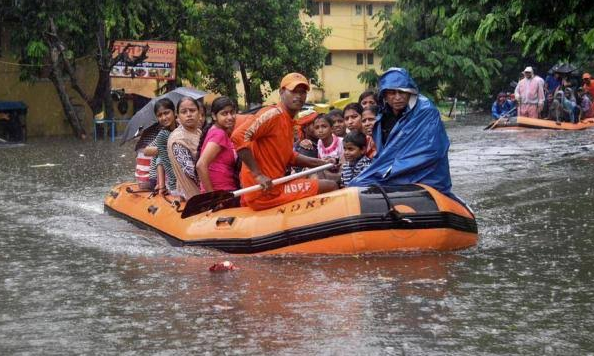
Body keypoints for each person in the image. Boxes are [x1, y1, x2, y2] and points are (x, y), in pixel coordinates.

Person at [231, 72, 338, 211]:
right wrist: (258, 175)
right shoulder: (273, 114)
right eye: (293, 91)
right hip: (266, 191)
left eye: (302, 92)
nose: (299, 96)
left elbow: (289, 156)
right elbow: (239, 136)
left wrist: (322, 163)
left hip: (274, 187)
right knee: (331, 186)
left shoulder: (289, 121)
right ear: (282, 92)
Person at [348, 67, 454, 197]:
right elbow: (385, 152)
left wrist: (389, 170)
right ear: (385, 95)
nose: (397, 97)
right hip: (394, 170)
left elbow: (431, 150)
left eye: (402, 92)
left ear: (410, 92)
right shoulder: (383, 116)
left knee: (361, 183)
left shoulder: (425, 111)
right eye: (392, 93)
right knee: (356, 185)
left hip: (426, 174)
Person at [196, 96, 239, 193]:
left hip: (222, 190)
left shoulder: (217, 131)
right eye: (224, 113)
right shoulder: (219, 134)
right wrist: (213, 197)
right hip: (221, 192)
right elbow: (201, 165)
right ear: (214, 116)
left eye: (232, 112)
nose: (230, 117)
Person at [167, 97, 205, 200]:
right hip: (193, 192)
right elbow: (191, 172)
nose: (189, 114)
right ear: (178, 117)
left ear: (199, 113)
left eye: (192, 110)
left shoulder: (198, 132)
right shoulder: (178, 139)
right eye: (184, 112)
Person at [144, 98, 177, 193]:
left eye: (166, 113)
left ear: (174, 112)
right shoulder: (162, 135)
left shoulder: (182, 127)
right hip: (158, 176)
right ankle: (161, 186)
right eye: (160, 115)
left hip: (179, 172)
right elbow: (146, 151)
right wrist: (166, 148)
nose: (163, 118)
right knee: (159, 156)